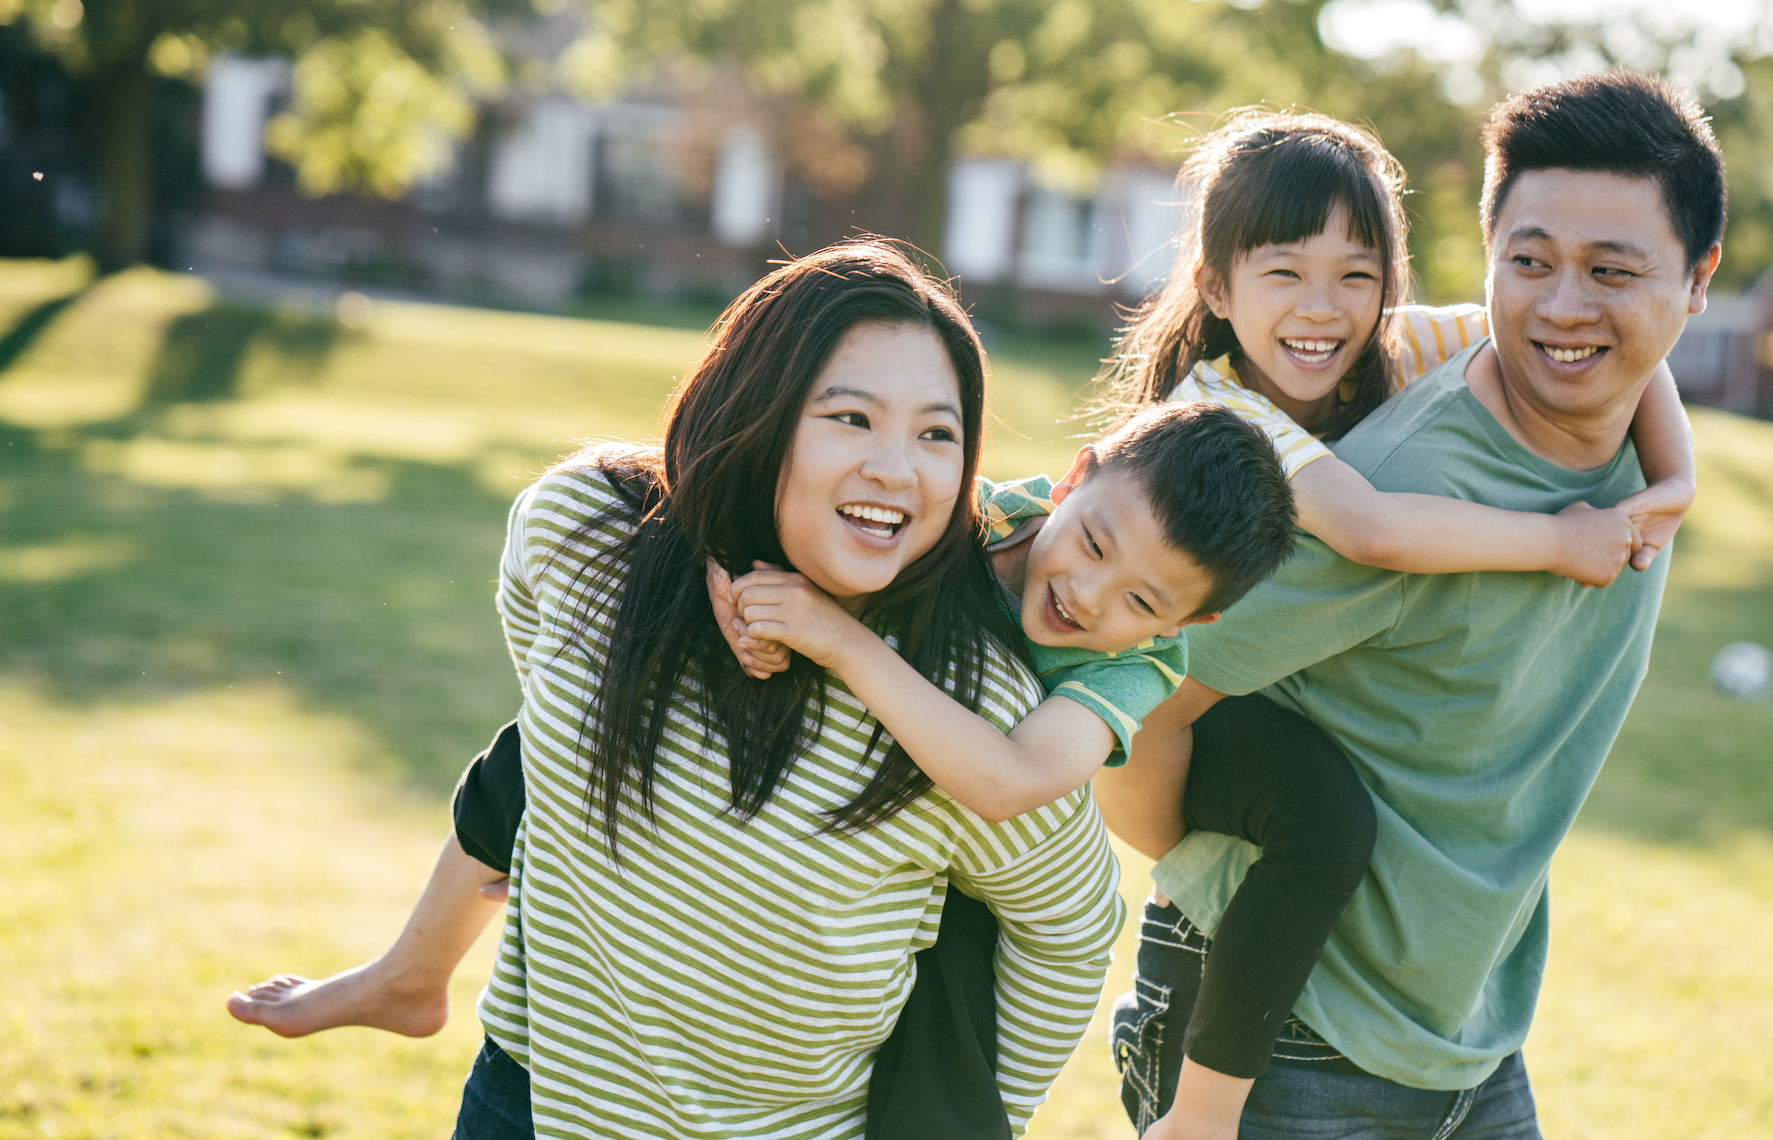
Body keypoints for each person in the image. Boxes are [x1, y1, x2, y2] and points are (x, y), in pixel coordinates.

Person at [244, 240, 1127, 1140]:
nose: (899, 471)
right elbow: (542, 685)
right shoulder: (584, 530)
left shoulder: (969, 710)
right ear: (757, 411)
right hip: (527, 1103)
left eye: (939, 434)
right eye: (852, 418)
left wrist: (973, 1123)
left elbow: (1072, 928)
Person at [1097, 71, 1726, 1139]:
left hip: (1465, 1026)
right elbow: (1150, 703)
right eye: (1527, 263)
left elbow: (1631, 385)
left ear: (1695, 280)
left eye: (1610, 270)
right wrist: (1182, 868)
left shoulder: (1624, 428)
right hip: (1280, 1024)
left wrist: (1675, 484)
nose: (1562, 306)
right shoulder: (1377, 493)